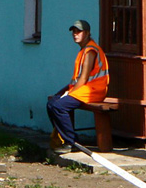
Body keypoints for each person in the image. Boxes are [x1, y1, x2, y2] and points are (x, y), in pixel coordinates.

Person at [46, 19, 109, 154]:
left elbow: (84, 78)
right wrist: (64, 92)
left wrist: (69, 93)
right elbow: (78, 79)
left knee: (59, 105)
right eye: (74, 32)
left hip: (93, 90)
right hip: (85, 88)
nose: (75, 34)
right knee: (52, 102)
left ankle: (72, 142)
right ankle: (65, 137)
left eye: (78, 32)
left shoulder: (91, 51)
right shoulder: (84, 50)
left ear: (86, 33)